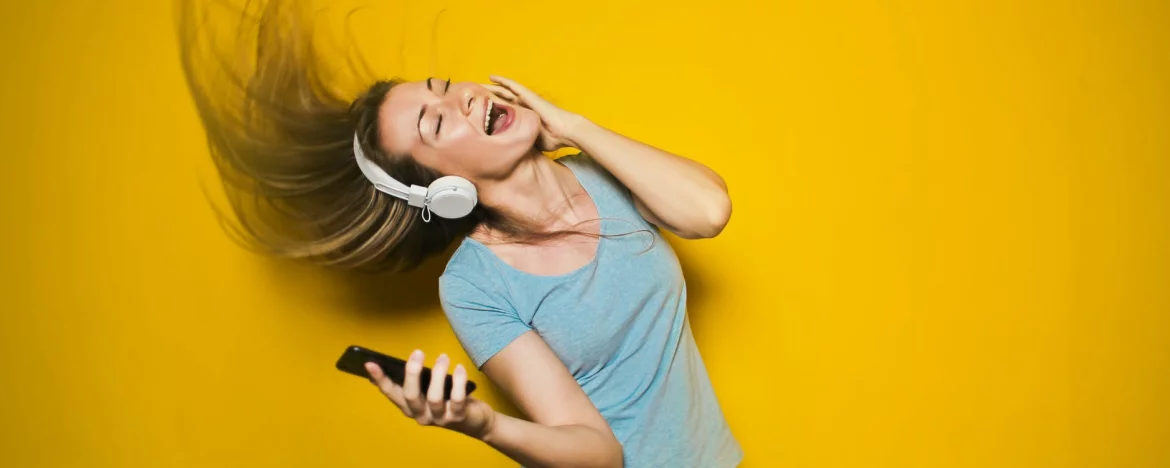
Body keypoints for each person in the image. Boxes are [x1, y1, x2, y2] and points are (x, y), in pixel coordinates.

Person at [178, 1, 742, 466]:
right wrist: (482, 423)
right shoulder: (474, 286)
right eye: (438, 121)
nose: (464, 97)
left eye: (444, 87)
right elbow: (599, 455)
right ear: (442, 190)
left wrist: (573, 126)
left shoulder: (605, 171)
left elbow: (709, 211)